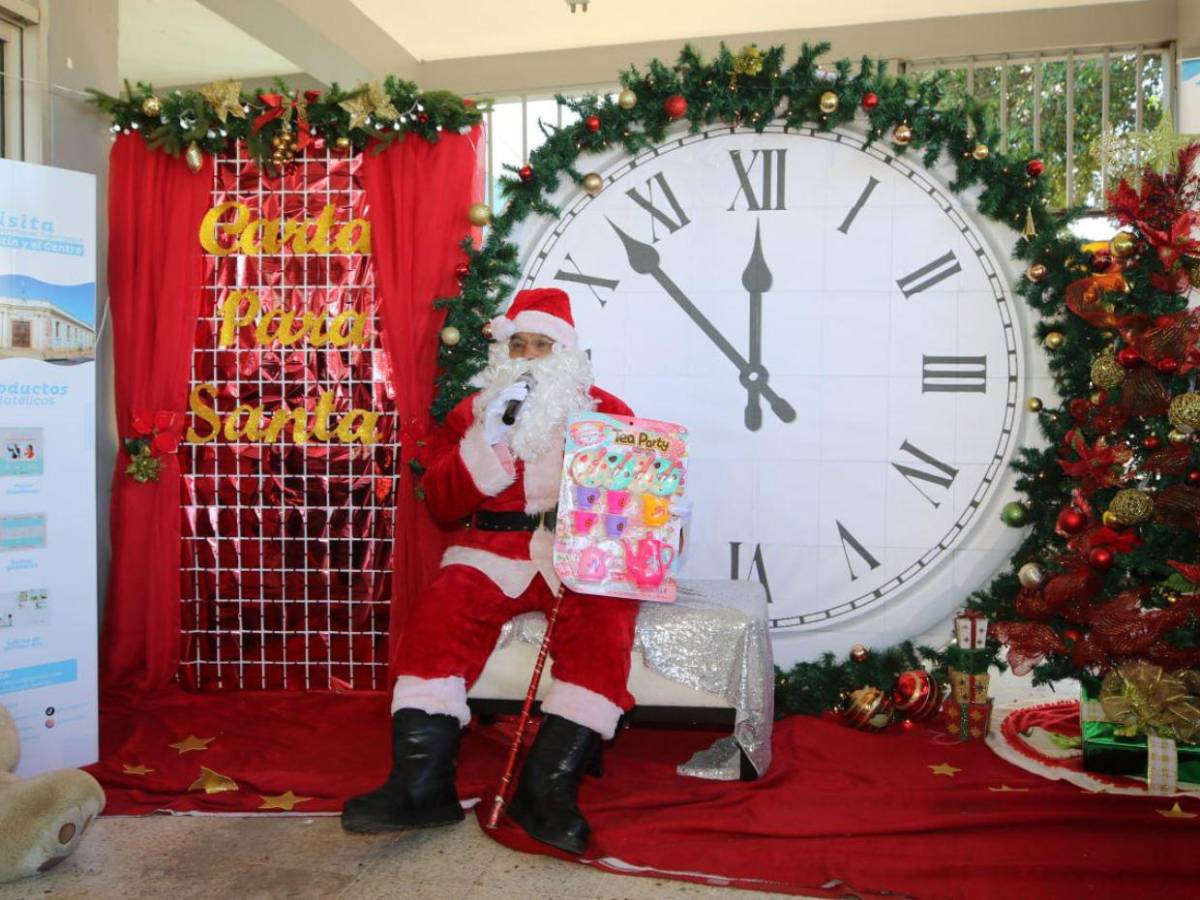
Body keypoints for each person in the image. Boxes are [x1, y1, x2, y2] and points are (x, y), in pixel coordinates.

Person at [342, 287, 640, 855]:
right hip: (488, 552)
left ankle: (545, 791)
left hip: (572, 555)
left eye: (542, 346)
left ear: (566, 355)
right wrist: (492, 441)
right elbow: (444, 501)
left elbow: (629, 498)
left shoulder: (608, 413)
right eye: (519, 345)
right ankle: (420, 787)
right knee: (440, 612)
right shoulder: (472, 413)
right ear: (505, 352)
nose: (529, 357)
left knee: (606, 620)